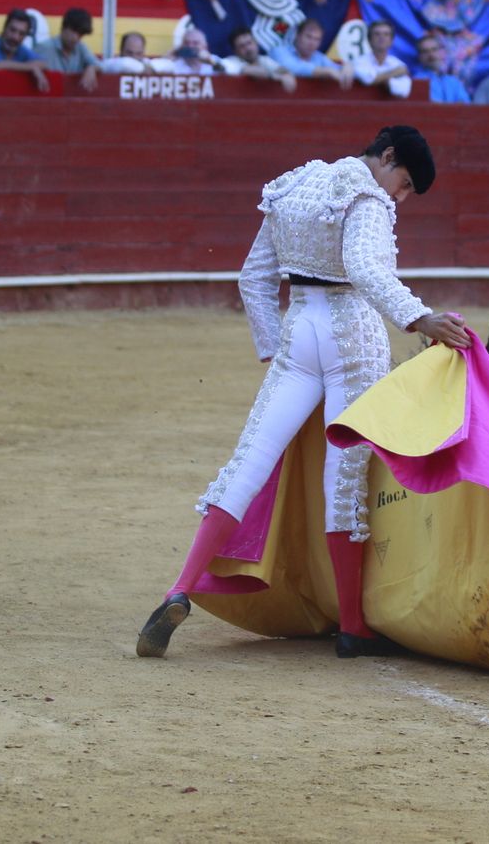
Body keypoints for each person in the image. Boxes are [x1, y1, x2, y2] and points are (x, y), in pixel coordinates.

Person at [135, 125, 470, 660]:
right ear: (386, 157)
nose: (398, 197)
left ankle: (180, 586)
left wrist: (274, 345)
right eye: (403, 183)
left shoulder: (294, 185)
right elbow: (365, 269)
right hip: (352, 337)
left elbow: (254, 276)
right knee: (344, 481)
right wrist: (419, 318)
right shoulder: (365, 196)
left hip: (299, 331)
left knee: (248, 460)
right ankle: (354, 626)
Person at [0, 9, 50, 91]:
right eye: (12, 30)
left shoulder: (21, 50)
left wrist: (33, 67)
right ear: (4, 28)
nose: (15, 37)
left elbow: (44, 64)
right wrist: (32, 67)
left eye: (21, 34)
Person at [269, 18, 353, 87]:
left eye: (317, 39)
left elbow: (336, 71)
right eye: (309, 37)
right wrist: (326, 71)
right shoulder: (279, 51)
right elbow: (292, 67)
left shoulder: (319, 57)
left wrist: (347, 66)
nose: (312, 43)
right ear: (297, 35)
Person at [35, 7, 101, 91]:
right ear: (64, 27)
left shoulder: (80, 47)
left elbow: (100, 65)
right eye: (73, 31)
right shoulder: (44, 48)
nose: (75, 38)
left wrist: (91, 68)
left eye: (80, 34)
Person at [350, 19, 411, 97]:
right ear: (369, 40)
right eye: (377, 34)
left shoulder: (398, 64)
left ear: (391, 41)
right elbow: (368, 80)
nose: (381, 37)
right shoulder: (358, 61)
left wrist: (385, 80)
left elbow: (403, 91)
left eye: (386, 34)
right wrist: (393, 74)